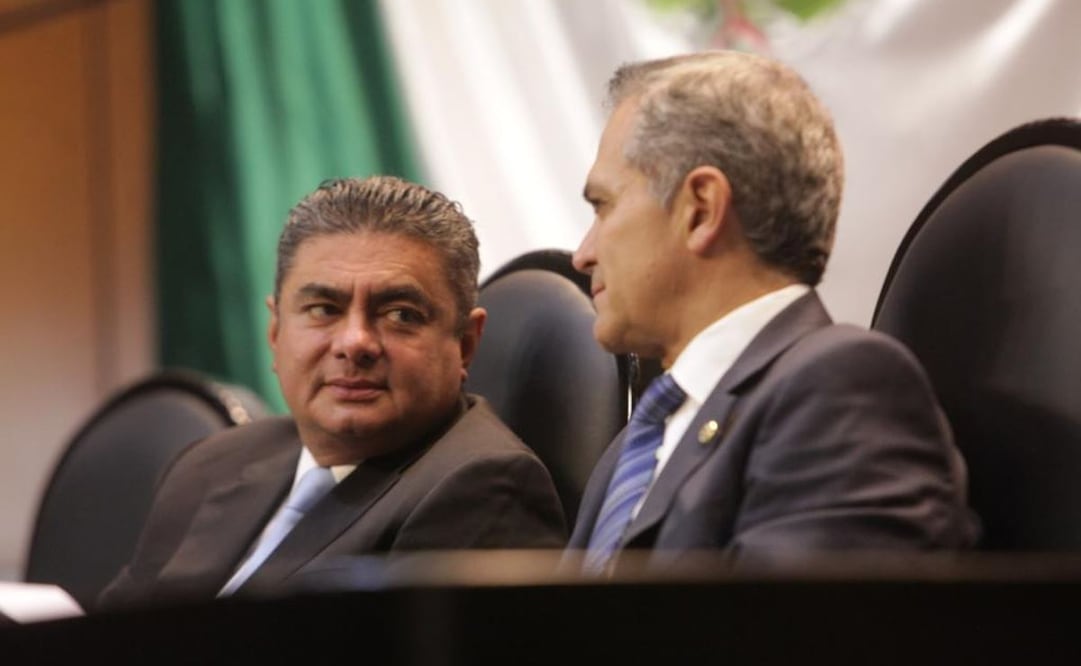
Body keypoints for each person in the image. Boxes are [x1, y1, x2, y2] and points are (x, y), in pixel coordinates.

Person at [568, 51, 977, 573]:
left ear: (701, 210)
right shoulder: (638, 440)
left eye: (603, 206)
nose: (583, 254)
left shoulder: (840, 390)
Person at [99, 176, 566, 608]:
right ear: (276, 333)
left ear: (464, 345)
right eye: (324, 309)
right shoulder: (214, 463)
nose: (354, 342)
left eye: (400, 315)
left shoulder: (485, 488)